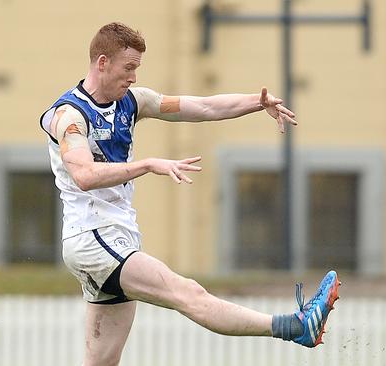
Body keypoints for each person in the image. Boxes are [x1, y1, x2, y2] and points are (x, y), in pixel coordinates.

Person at [39, 22, 340, 366]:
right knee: (188, 293)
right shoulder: (69, 116)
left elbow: (204, 107)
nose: (134, 77)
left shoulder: (133, 101)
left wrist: (256, 104)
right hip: (93, 238)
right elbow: (83, 175)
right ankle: (295, 327)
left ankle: (297, 327)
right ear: (102, 62)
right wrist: (148, 163)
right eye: (129, 68)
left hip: (115, 236)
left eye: (137, 68)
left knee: (101, 362)